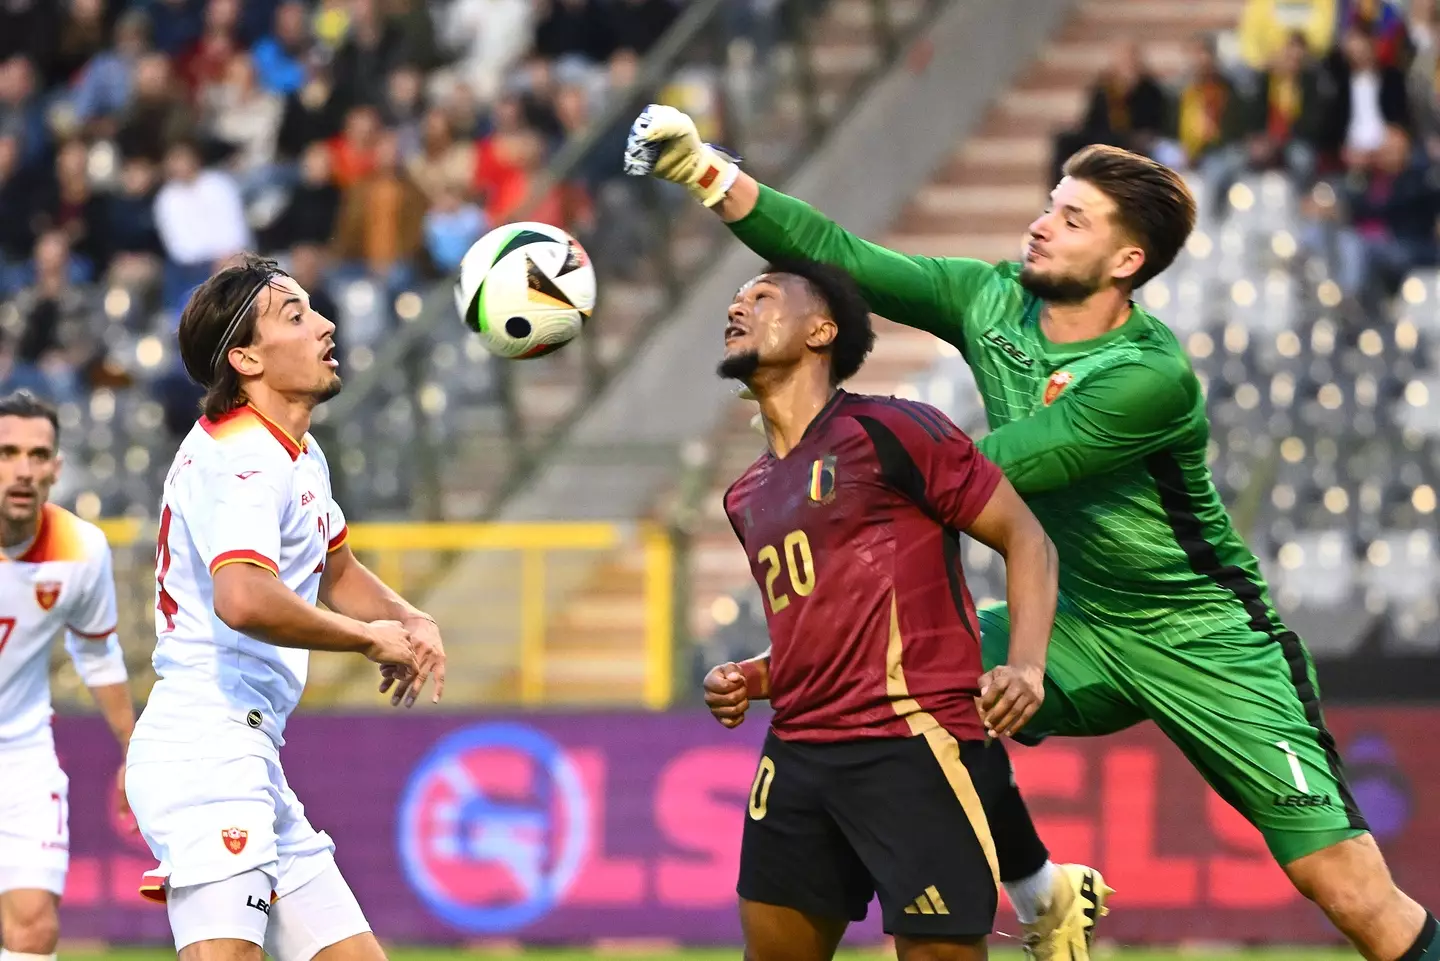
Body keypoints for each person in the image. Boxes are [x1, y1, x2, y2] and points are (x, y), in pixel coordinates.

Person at [625, 104, 1440, 961]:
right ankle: (1044, 894)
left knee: (1346, 890)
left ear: (1126, 262)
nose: (1042, 224)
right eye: (1051, 204)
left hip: (1206, 638)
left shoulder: (1148, 376)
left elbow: (978, 471)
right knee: (925, 674)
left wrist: (838, 464)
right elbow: (846, 258)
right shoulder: (990, 300)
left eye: (1072, 218)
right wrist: (707, 172)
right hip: (1073, 618)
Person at [698, 257, 1105, 961]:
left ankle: (1047, 897)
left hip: (910, 740)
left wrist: (1027, 666)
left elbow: (1026, 538)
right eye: (735, 300)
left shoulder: (893, 430)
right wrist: (755, 676)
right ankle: (1047, 891)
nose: (738, 309)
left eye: (761, 297)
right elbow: (818, 625)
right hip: (796, 753)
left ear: (821, 329)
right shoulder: (747, 493)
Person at [124, 254, 447, 961]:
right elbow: (244, 598)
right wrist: (368, 639)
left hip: (251, 753)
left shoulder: (297, 455)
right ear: (244, 357)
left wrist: (409, 617)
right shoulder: (241, 460)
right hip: (205, 747)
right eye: (296, 315)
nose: (327, 325)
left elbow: (337, 567)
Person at [0, 389, 135, 961]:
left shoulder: (81, 549)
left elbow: (98, 653)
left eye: (37, 455)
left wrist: (136, 751)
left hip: (20, 752)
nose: (23, 470)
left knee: (34, 928)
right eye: (6, 453)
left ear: (57, 468)